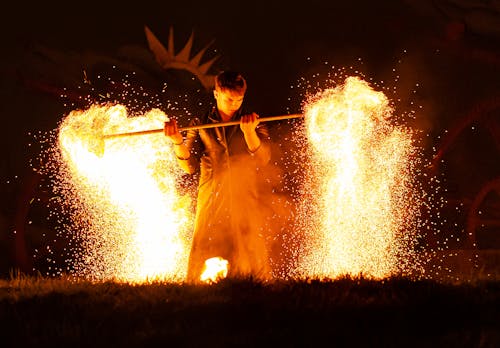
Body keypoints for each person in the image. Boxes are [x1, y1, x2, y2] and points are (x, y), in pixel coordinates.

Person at [164, 70, 273, 283]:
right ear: (216, 95)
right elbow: (189, 166)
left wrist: (249, 132)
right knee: (206, 247)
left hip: (244, 196)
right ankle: (197, 290)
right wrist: (177, 140)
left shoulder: (254, 120)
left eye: (239, 99)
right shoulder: (200, 123)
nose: (235, 104)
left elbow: (263, 158)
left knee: (248, 250)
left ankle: (256, 291)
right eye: (229, 99)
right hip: (211, 196)